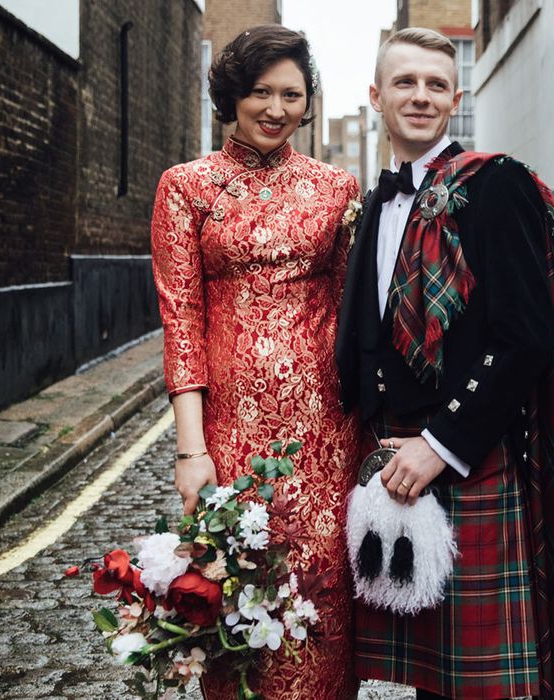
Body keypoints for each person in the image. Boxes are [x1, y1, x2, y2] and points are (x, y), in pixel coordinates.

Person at [335, 28, 554, 699]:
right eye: (404, 82)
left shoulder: (497, 185)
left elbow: (528, 335)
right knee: (423, 682)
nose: (421, 95)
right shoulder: (375, 203)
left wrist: (440, 446)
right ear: (375, 95)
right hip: (388, 469)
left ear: (455, 98)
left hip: (467, 463)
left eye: (436, 84)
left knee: (475, 690)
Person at [150, 25, 360, 699]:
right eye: (261, 92)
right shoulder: (187, 187)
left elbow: (359, 315)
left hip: (327, 438)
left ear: (309, 101)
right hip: (231, 441)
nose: (276, 109)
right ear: (232, 96)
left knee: (321, 614)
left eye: (292, 94)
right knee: (236, 605)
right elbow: (181, 319)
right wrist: (192, 451)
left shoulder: (337, 188)